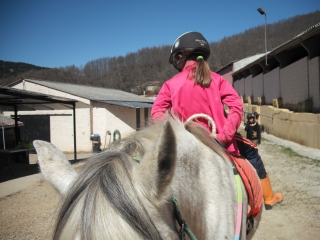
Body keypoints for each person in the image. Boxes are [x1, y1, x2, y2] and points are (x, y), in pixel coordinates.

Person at [151, 31, 283, 210]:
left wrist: (178, 133)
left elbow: (157, 113)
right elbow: (236, 106)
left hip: (185, 145)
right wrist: (224, 136)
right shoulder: (218, 79)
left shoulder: (170, 84)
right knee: (252, 152)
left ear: (180, 56)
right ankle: (269, 198)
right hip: (220, 144)